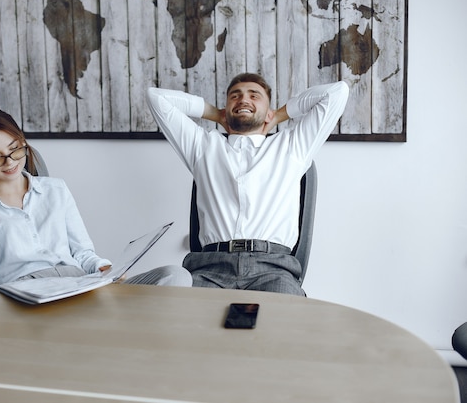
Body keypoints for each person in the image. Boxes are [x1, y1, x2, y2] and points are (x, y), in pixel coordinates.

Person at [147, 74, 349, 296]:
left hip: (273, 270)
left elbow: (337, 92)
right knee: (183, 322)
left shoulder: (293, 146)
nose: (243, 100)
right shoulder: (203, 146)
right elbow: (156, 98)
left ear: (267, 108)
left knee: (288, 324)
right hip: (209, 269)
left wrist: (278, 115)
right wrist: (215, 114)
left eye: (255, 96)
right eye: (235, 96)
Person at [0, 108, 192, 291]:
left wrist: (105, 269)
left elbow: (83, 253)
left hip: (78, 284)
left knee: (176, 276)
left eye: (15, 149)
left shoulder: (56, 189)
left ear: (23, 143)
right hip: (24, 295)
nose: (10, 161)